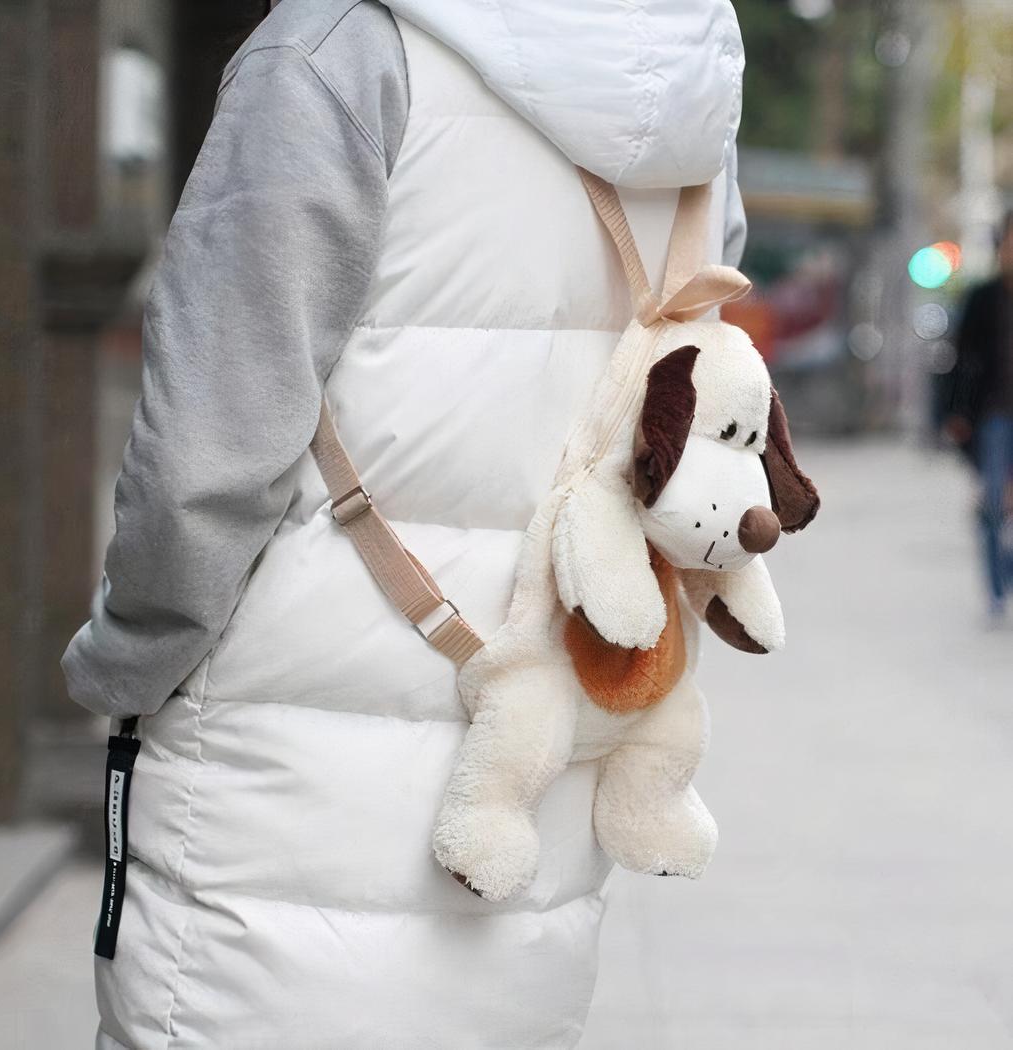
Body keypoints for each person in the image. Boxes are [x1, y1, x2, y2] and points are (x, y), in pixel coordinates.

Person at [62, 1, 747, 1046]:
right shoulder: (688, 73)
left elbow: (206, 458)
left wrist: (126, 661)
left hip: (272, 790)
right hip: (536, 778)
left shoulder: (334, 52)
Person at [946, 211, 1013, 624]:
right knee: (991, 503)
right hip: (993, 417)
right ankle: (995, 588)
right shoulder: (983, 298)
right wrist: (955, 412)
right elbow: (961, 360)